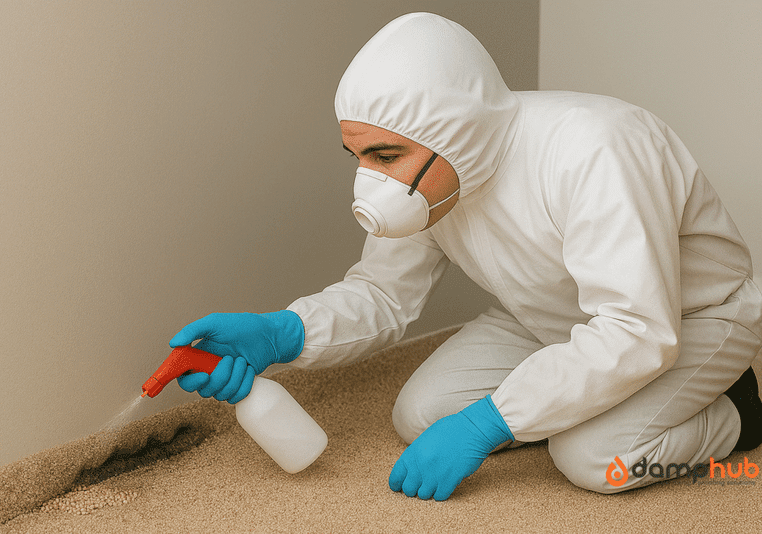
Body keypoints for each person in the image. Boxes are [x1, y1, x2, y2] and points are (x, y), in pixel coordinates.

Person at [168, 13, 762, 500]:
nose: (369, 180)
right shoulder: (439, 172)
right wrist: (280, 334)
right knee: (419, 415)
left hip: (691, 318)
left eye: (384, 154)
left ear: (453, 129)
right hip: (546, 316)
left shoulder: (595, 148)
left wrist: (487, 425)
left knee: (593, 460)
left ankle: (737, 416)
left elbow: (636, 327)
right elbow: (383, 293)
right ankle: (570, 396)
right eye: (358, 156)